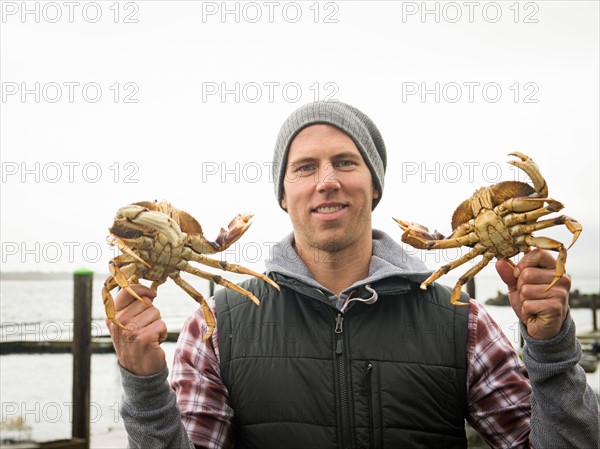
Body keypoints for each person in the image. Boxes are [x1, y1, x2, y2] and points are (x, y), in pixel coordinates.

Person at [109, 101, 599, 448]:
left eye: (345, 162)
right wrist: (144, 382)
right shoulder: (215, 325)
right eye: (304, 168)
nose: (327, 182)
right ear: (283, 195)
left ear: (375, 187)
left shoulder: (462, 321)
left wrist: (552, 350)